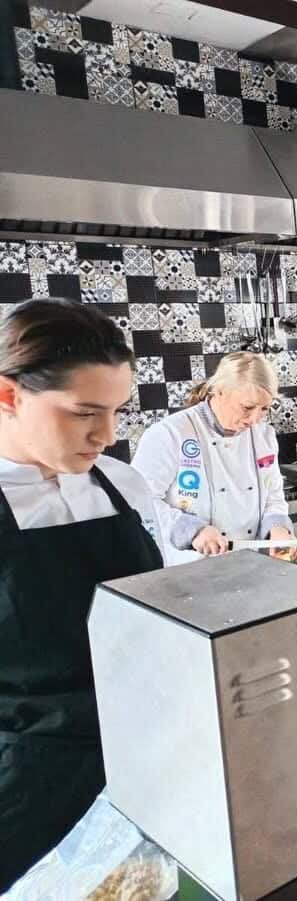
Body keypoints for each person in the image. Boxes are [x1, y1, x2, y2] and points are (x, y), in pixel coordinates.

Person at [0, 299, 165, 891]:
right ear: (8, 395)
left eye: (116, 411)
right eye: (84, 413)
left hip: (143, 758)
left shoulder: (124, 486)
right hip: (28, 784)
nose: (107, 435)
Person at [132, 352, 297, 565]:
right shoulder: (170, 433)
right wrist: (192, 530)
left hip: (251, 563)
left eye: (264, 409)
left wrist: (278, 527)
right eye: (247, 407)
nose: (255, 419)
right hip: (190, 566)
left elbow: (273, 496)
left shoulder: (263, 435)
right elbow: (140, 502)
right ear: (219, 391)